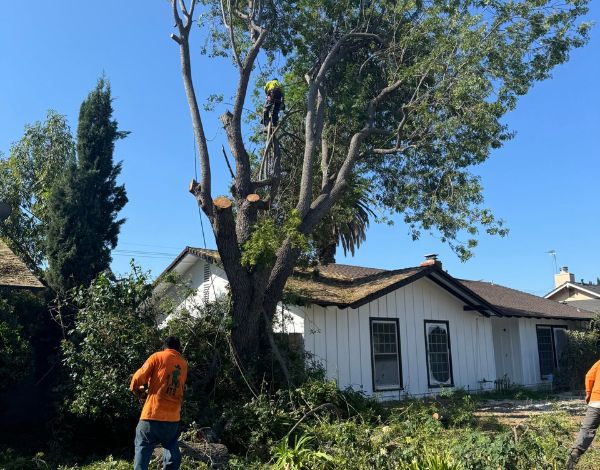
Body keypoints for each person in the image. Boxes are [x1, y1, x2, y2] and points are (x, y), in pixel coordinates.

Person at [130, 336, 188, 470]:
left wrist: (138, 392)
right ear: (178, 349)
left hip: (152, 415)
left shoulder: (157, 357)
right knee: (171, 447)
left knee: (143, 447)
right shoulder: (184, 364)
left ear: (164, 346)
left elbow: (137, 379)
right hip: (172, 419)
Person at [566, 358, 600, 469]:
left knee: (587, 429)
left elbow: (589, 376)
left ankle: (576, 452)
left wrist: (589, 393)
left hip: (595, 401)